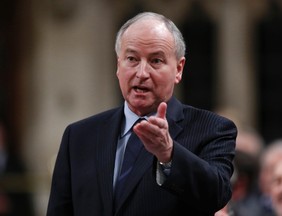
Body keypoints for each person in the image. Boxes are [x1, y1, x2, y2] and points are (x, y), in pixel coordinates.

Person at [46, 11, 237, 216]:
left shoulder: (213, 129)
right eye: (132, 59)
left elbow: (216, 196)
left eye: (155, 61)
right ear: (118, 65)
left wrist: (168, 154)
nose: (141, 73)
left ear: (178, 69)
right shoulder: (79, 136)